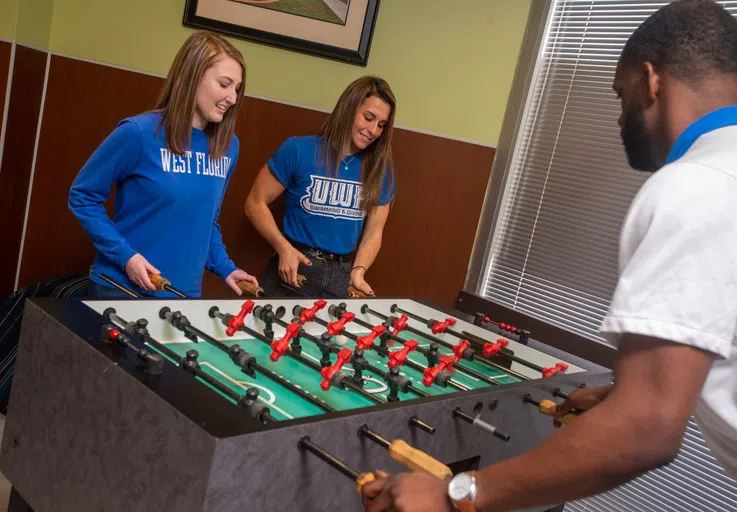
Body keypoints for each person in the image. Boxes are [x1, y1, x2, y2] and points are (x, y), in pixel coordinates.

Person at [361, 1, 737, 510]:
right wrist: (626, 398)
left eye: (621, 95)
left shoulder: (693, 185)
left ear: (652, 81)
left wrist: (458, 494)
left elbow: (647, 427)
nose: (618, 116)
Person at [69, 31, 257, 299]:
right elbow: (82, 196)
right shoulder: (138, 133)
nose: (233, 97)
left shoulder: (228, 147)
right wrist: (127, 257)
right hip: (123, 291)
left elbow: (206, 220)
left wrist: (225, 267)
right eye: (224, 84)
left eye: (237, 88)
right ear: (192, 77)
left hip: (183, 295)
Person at [244, 76, 396, 298]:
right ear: (348, 109)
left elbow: (374, 230)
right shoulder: (298, 150)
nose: (373, 130)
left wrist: (359, 271)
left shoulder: (380, 169)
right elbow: (254, 203)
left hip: (341, 276)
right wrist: (283, 247)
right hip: (294, 269)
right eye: (368, 118)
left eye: (381, 125)